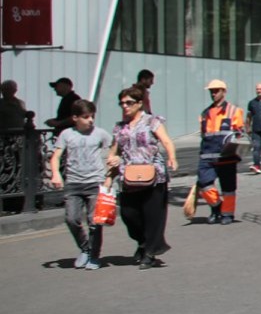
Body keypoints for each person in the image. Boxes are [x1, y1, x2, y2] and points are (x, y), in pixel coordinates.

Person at [111, 85, 176, 267]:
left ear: (139, 103)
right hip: (128, 177)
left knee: (152, 216)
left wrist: (172, 157)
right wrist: (112, 162)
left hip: (154, 176)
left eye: (129, 102)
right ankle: (142, 241)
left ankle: (150, 253)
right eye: (122, 103)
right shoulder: (119, 128)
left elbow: (166, 141)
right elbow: (114, 151)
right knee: (128, 214)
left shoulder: (151, 121)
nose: (125, 106)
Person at [47, 98, 113, 268]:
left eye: (92, 116)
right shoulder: (66, 134)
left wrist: (111, 173)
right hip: (73, 183)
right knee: (71, 219)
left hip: (95, 182)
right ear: (75, 118)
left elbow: (114, 149)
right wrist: (55, 174)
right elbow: (56, 156)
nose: (90, 120)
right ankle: (85, 249)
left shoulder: (100, 133)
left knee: (94, 221)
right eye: (86, 117)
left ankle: (94, 256)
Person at [193, 78, 245, 225]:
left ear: (224, 92)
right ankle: (217, 207)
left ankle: (227, 214)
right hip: (207, 155)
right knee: (204, 183)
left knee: (228, 187)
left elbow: (240, 134)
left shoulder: (233, 111)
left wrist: (235, 142)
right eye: (211, 91)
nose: (213, 94)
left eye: (216, 91)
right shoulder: (205, 113)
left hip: (226, 156)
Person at [0, 80, 34, 213]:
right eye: (5, 89)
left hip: (19, 141)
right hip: (6, 141)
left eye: (11, 89)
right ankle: (8, 202)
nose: (7, 92)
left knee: (20, 169)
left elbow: (25, 117)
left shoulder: (20, 103)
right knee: (7, 169)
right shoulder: (1, 104)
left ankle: (18, 201)